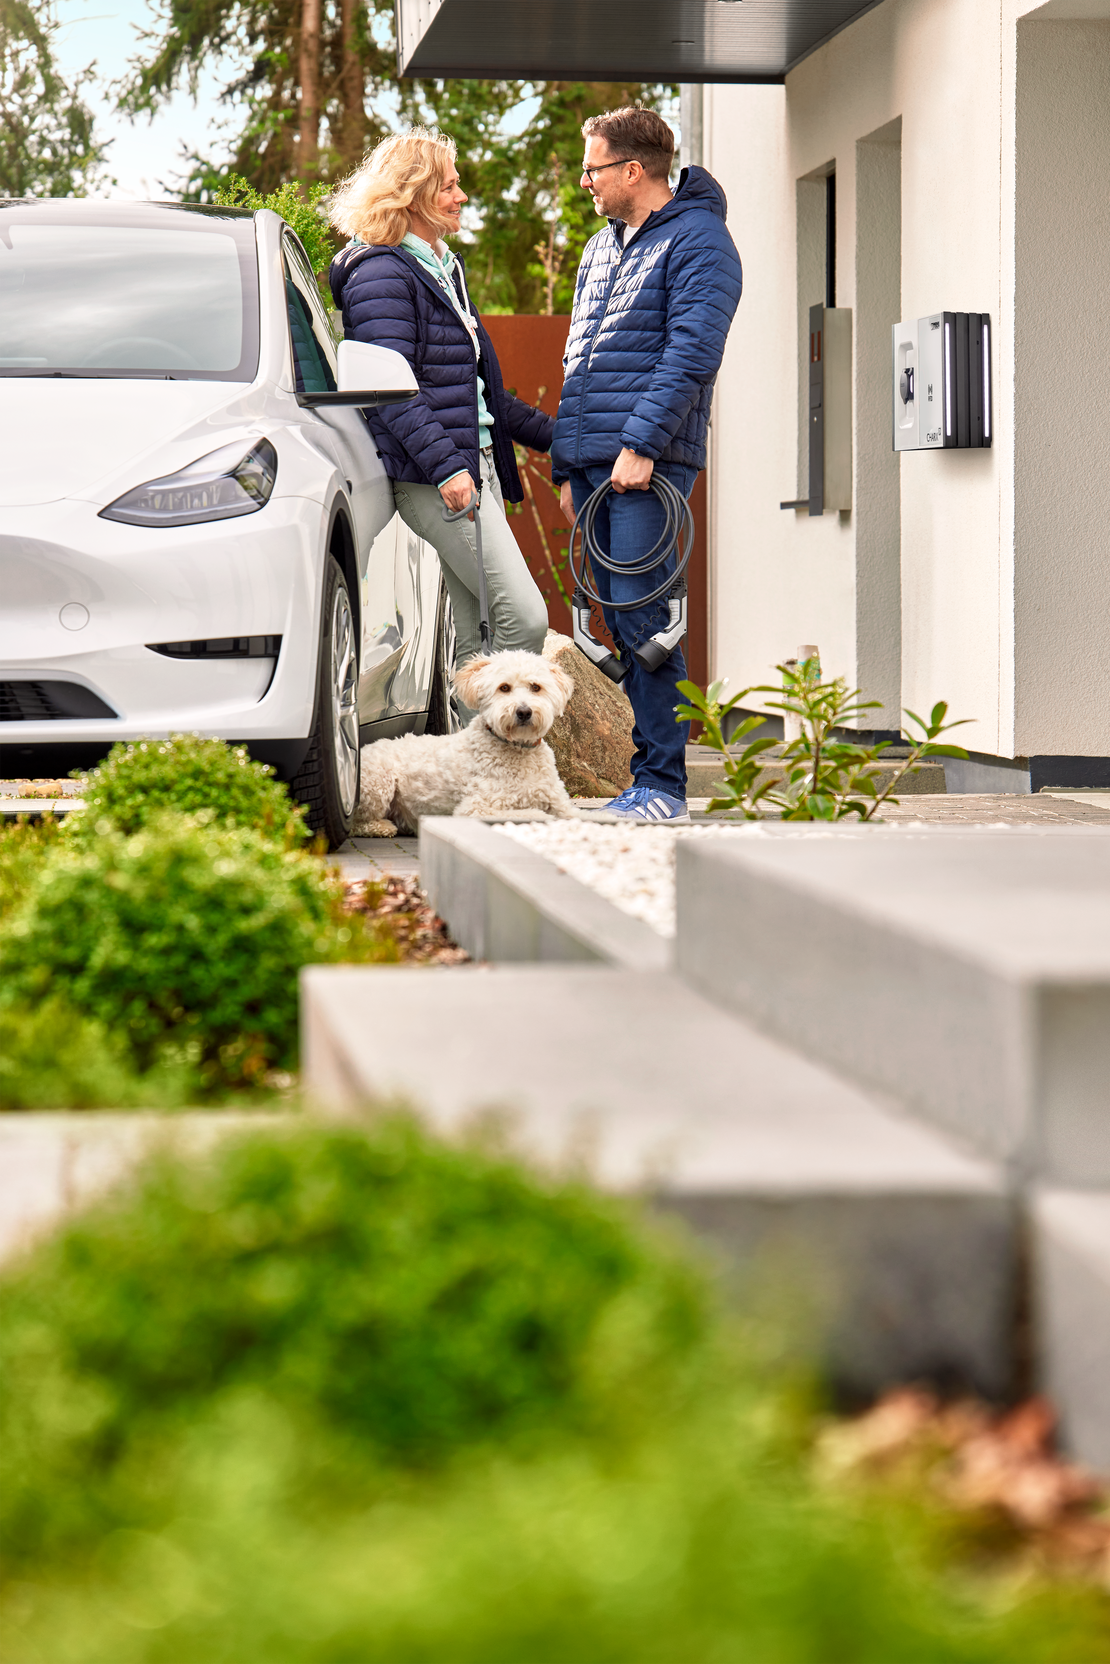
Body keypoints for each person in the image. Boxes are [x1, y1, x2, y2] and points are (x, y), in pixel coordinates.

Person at [553, 106, 742, 821]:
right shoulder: (602, 249)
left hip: (647, 465)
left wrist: (640, 446)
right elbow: (579, 363)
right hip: (598, 468)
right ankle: (645, 780)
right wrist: (570, 470)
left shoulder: (700, 242)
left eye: (593, 168)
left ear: (634, 170)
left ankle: (664, 786)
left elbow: (692, 353)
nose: (584, 182)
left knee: (647, 623)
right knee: (621, 621)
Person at [328, 129, 552, 709]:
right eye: (449, 185)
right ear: (414, 194)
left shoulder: (440, 268)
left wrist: (564, 439)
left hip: (470, 466)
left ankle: (469, 772)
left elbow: (481, 392)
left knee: (477, 637)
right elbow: (389, 391)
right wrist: (450, 469)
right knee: (524, 620)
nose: (461, 196)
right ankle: (493, 757)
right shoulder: (381, 273)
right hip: (438, 477)